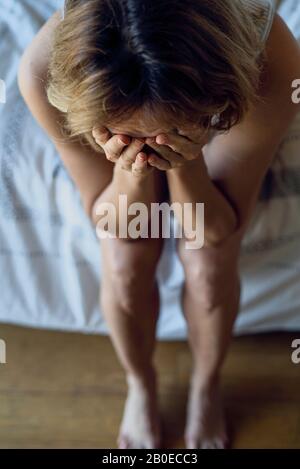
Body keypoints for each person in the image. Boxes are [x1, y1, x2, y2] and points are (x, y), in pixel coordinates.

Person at [18, 0, 300, 449]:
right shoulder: (45, 73)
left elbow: (216, 229)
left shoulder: (275, 63)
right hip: (126, 152)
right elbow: (106, 218)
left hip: (212, 129)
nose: (147, 145)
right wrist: (132, 170)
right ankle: (141, 383)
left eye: (165, 133)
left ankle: (207, 385)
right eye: (128, 134)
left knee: (209, 267)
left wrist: (187, 165)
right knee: (125, 263)